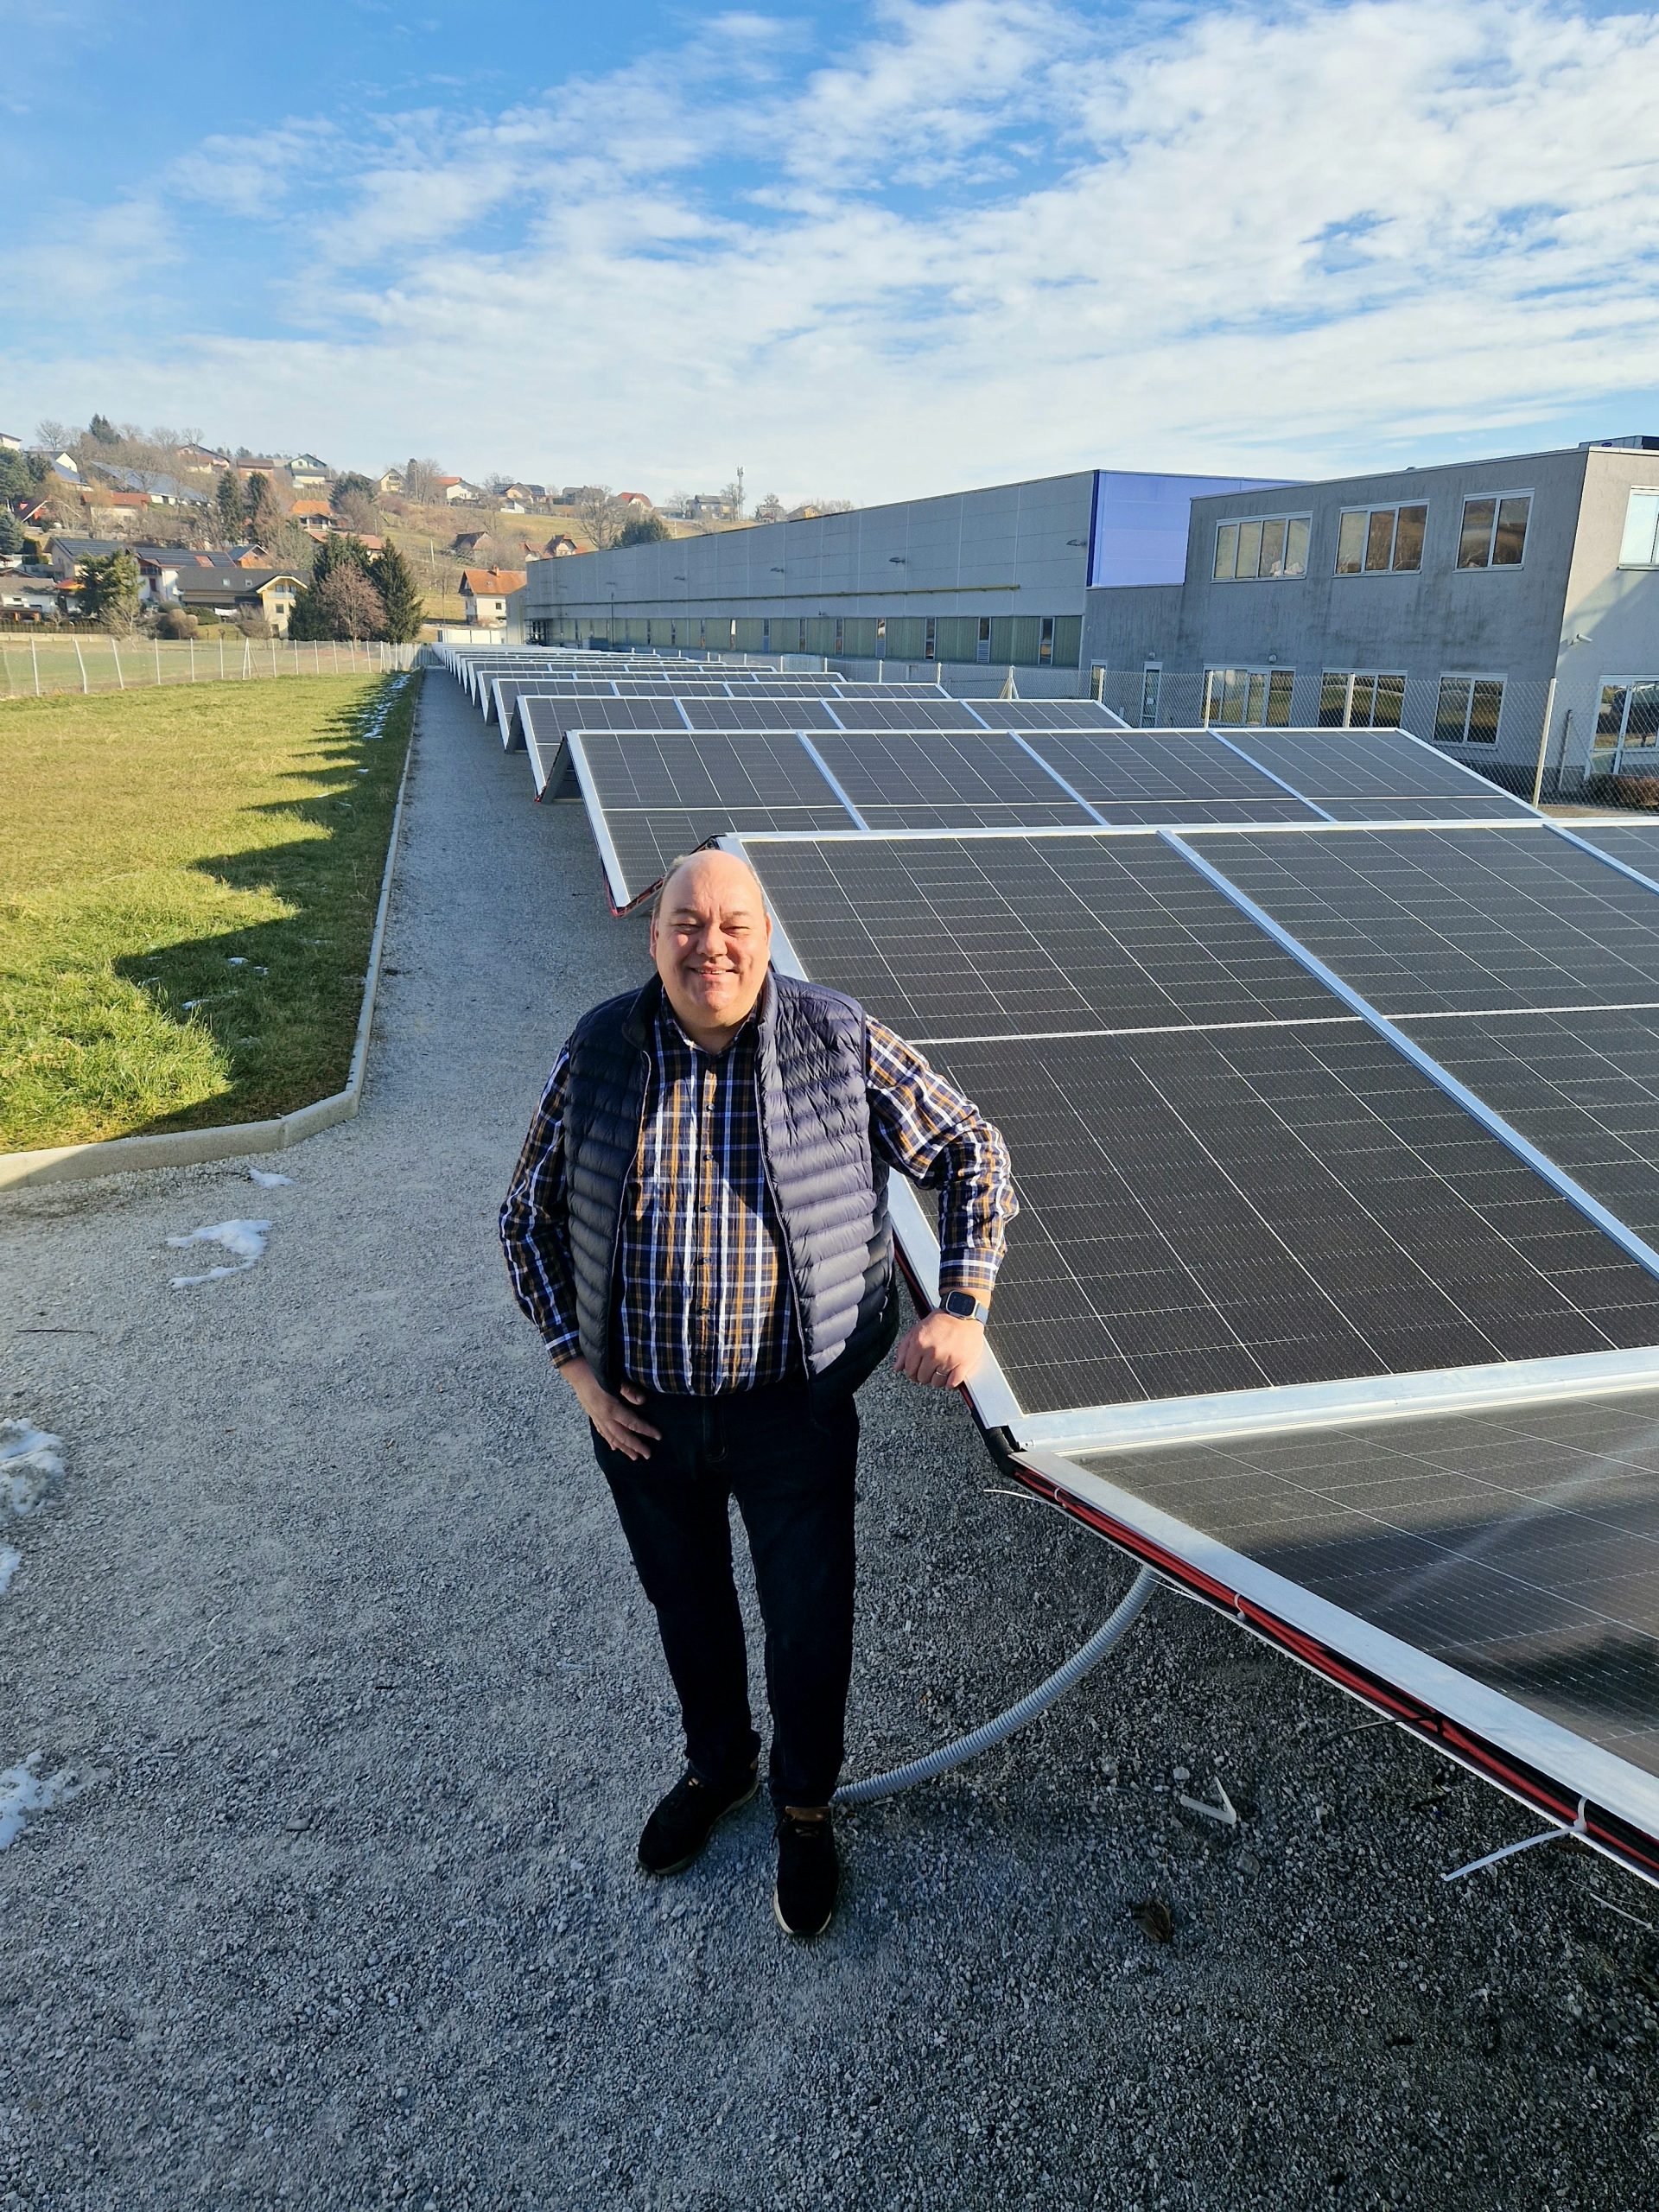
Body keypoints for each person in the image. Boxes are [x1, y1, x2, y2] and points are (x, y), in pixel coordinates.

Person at [500, 847, 1014, 1937]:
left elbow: (972, 1148)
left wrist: (961, 1306)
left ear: (767, 936)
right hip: (640, 1413)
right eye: (687, 923)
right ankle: (719, 1766)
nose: (711, 945)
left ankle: (805, 1806)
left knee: (809, 1623)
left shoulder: (835, 1037)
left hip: (796, 1409)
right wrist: (578, 1374)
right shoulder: (599, 1048)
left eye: (734, 923)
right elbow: (524, 1219)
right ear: (653, 939)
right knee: (687, 1610)